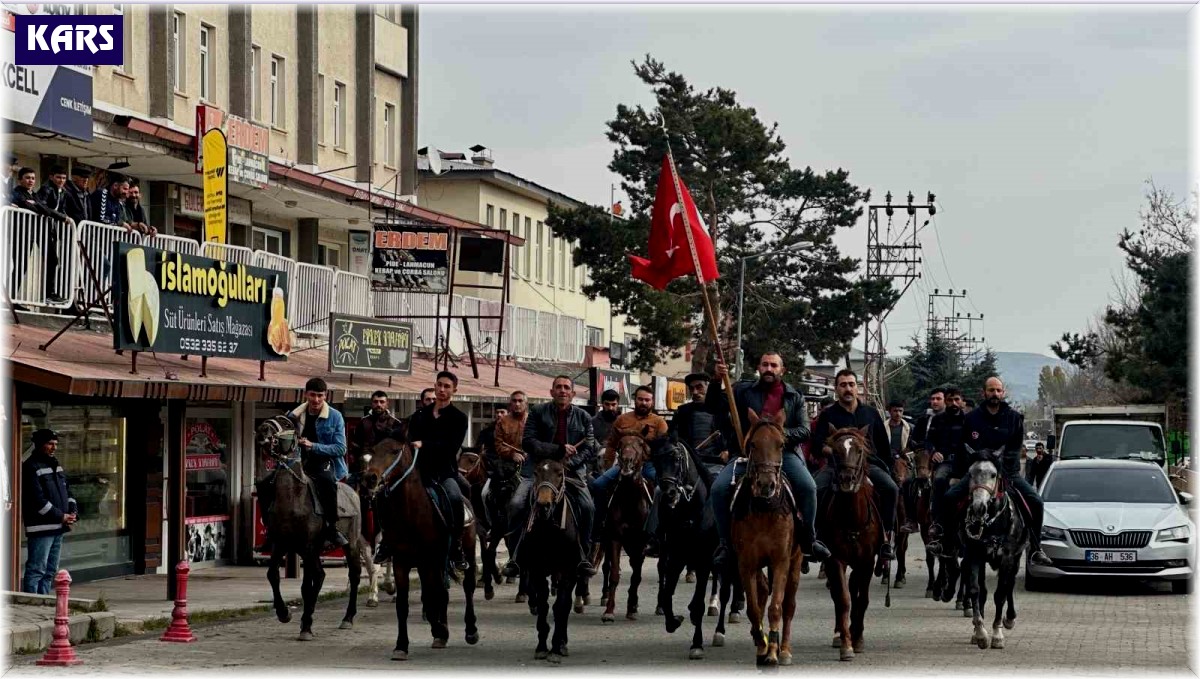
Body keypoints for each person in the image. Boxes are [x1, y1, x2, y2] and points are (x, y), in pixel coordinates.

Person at [708, 352, 831, 570]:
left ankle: (809, 539)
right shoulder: (742, 390)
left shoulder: (794, 396)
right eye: (765, 364)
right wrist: (717, 381)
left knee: (809, 487)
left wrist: (774, 436)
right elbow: (713, 407)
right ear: (758, 367)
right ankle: (725, 543)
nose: (769, 369)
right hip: (748, 453)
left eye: (774, 365)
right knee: (718, 489)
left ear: (782, 370)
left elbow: (804, 430)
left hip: (784, 454)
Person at [932, 377, 1052, 566]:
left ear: (1003, 393)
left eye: (998, 390)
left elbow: (1014, 449)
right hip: (977, 474)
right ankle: (945, 542)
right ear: (984, 393)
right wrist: (957, 474)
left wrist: (999, 465)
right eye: (991, 390)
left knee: (1036, 502)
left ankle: (1035, 549)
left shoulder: (1014, 418)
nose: (994, 394)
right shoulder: (971, 418)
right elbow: (963, 448)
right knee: (949, 497)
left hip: (1007, 474)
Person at [503, 376, 597, 578]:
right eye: (558, 387)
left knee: (588, 507)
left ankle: (584, 556)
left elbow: (589, 447)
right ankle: (515, 557)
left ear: (572, 393)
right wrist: (559, 450)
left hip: (571, 472)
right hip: (538, 470)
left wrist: (568, 464)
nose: (562, 391)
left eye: (566, 387)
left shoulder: (584, 417)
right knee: (516, 504)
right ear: (551, 392)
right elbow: (529, 442)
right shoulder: (538, 412)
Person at [810, 369, 900, 561]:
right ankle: (815, 538)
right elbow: (817, 445)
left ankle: (886, 537)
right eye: (843, 385)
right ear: (836, 389)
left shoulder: (871, 413)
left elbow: (884, 446)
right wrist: (834, 450)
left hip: (868, 465)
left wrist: (889, 469)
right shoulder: (828, 415)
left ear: (857, 388)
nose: (848, 389)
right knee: (814, 489)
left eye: (851, 384)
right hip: (836, 466)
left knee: (891, 489)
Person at [399, 371, 471, 572]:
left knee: (455, 497)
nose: (442, 389)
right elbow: (407, 438)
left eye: (447, 386)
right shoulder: (420, 415)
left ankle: (456, 547)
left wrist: (425, 444)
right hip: (417, 472)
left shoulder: (459, 418)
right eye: (439, 385)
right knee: (389, 494)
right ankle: (388, 543)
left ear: (454, 390)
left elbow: (451, 447)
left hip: (443, 472)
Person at [286, 377, 350, 550]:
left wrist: (312, 446)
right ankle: (273, 528)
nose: (316, 400)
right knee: (272, 480)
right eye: (313, 395)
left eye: (320, 396)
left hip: (323, 462)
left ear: (325, 396)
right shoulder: (293, 416)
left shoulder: (335, 417)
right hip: (297, 461)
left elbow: (340, 449)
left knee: (327, 482)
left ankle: (331, 527)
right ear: (306, 394)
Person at [21, 429, 78, 595]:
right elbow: (36, 500)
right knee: (37, 570)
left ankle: (44, 603)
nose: (53, 448)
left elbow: (68, 492)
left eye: (55, 444)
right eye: (50, 444)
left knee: (50, 571)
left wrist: (72, 511)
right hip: (41, 529)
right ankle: (31, 606)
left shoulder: (56, 465)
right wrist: (61, 516)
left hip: (58, 527)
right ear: (39, 445)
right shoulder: (31, 467)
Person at [900, 387, 947, 529]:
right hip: (923, 458)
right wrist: (919, 448)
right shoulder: (923, 418)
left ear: (945, 401)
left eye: (938, 399)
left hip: (943, 460)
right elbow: (914, 439)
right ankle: (911, 519)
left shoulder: (950, 419)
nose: (935, 402)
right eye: (933, 399)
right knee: (908, 482)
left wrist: (940, 452)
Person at [886, 399, 917, 533]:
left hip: (905, 462)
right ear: (890, 411)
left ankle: (911, 518)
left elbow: (915, 447)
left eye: (900, 411)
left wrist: (906, 455)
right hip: (887, 461)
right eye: (895, 411)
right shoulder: (883, 427)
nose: (898, 414)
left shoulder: (910, 428)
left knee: (910, 483)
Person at [589, 389, 621, 478]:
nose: (610, 408)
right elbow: (588, 447)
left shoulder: (624, 422)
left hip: (620, 466)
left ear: (618, 404)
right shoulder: (592, 422)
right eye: (607, 404)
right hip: (597, 466)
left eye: (613, 404)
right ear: (602, 403)